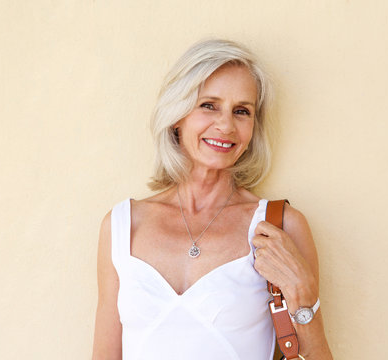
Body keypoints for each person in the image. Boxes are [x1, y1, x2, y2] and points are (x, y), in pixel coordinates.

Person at [92, 39, 333, 360]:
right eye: (209, 105)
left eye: (242, 111)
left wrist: (303, 294)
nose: (225, 125)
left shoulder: (279, 225)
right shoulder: (122, 226)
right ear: (177, 115)